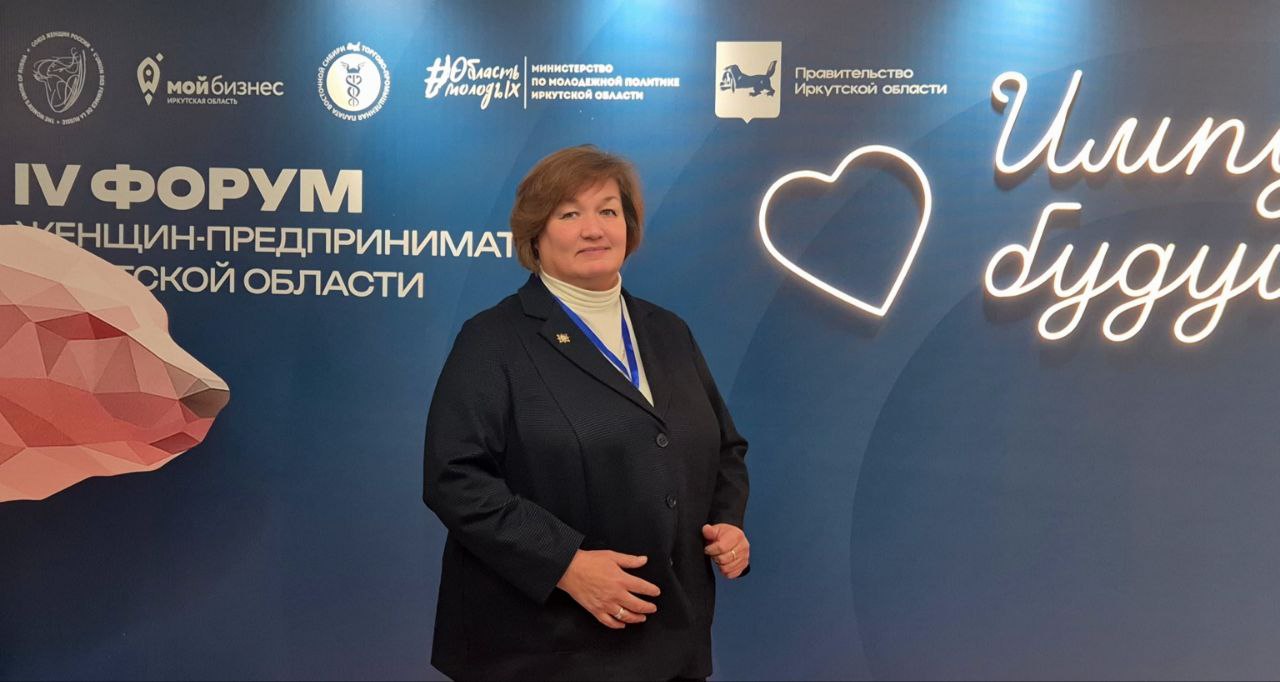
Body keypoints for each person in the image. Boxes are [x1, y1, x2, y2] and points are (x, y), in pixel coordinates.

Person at [423, 145, 750, 681]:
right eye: (570, 214)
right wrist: (565, 565)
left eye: (608, 211)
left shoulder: (669, 331)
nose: (594, 229)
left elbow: (724, 448)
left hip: (671, 639)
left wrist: (728, 522)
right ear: (535, 235)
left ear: (628, 227)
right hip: (543, 647)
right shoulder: (493, 339)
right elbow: (454, 478)